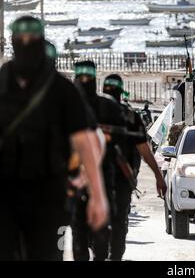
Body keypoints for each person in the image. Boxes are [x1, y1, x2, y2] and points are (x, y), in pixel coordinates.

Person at [0, 16, 108, 260]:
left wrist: (93, 191)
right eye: (20, 39)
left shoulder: (62, 90)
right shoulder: (2, 83)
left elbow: (89, 141)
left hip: (47, 193)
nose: (26, 43)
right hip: (5, 192)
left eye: (32, 39)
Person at [102, 74, 167, 260]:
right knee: (119, 221)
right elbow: (145, 151)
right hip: (120, 178)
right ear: (121, 92)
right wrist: (158, 176)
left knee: (110, 221)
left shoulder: (91, 110)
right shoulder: (130, 115)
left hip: (107, 178)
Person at [72, 61, 127, 261]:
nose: (84, 79)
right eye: (80, 75)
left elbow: (122, 135)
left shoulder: (109, 106)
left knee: (102, 234)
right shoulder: (68, 105)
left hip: (103, 174)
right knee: (78, 233)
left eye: (88, 75)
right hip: (76, 176)